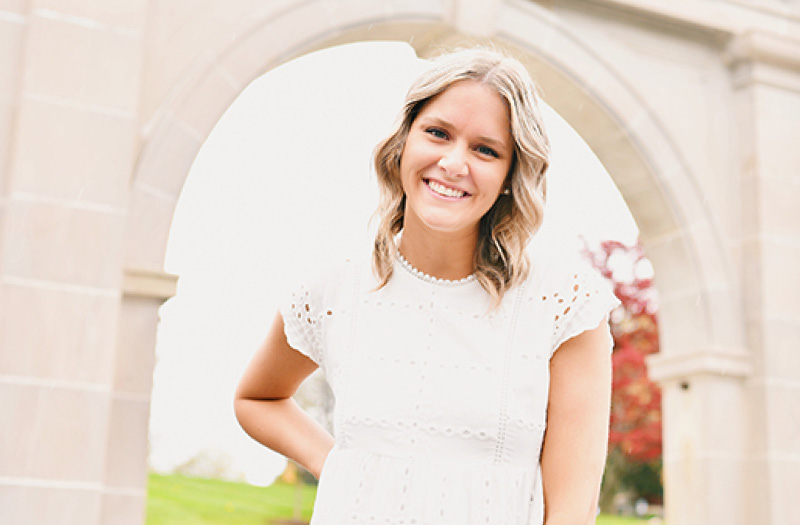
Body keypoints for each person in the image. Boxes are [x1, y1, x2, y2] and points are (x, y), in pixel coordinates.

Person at [235, 47, 620, 524]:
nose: (454, 163)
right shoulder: (334, 286)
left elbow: (571, 511)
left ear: (508, 175)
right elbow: (256, 398)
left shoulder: (564, 302)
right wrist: (332, 462)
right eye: (438, 133)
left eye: (486, 150)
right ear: (403, 143)